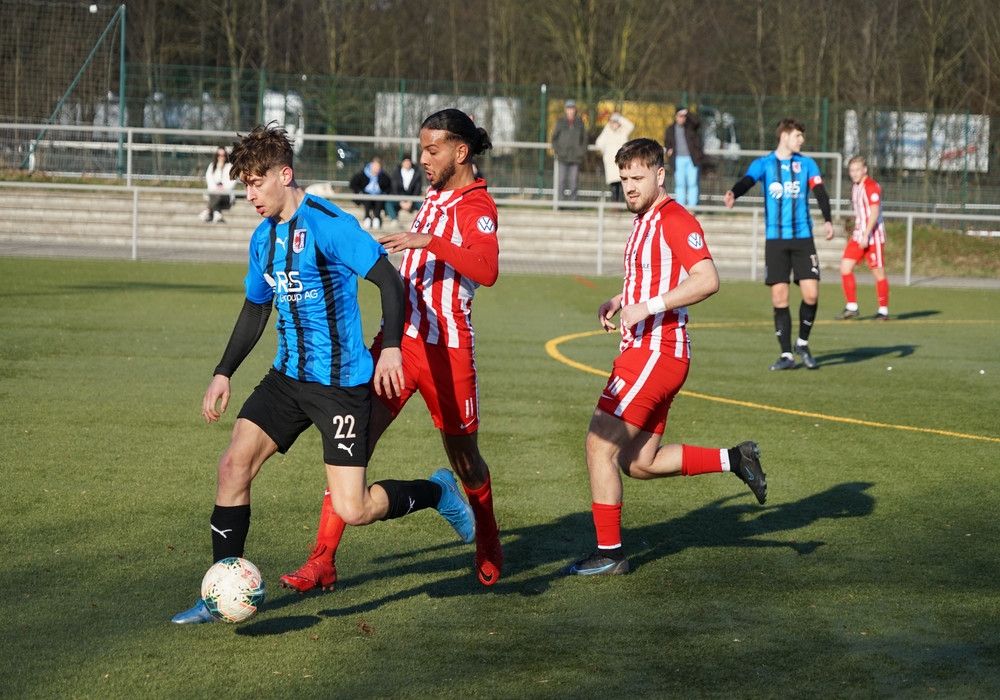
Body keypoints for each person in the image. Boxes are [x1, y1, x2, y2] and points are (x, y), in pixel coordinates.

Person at [171, 124, 475, 624]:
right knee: (233, 468)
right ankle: (218, 591)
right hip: (287, 378)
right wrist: (224, 372)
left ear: (284, 175)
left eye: (256, 183)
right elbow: (256, 307)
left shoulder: (331, 225)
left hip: (339, 387)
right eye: (245, 185)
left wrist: (391, 349)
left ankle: (437, 491)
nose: (250, 195)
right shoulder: (263, 238)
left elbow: (390, 282)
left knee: (354, 509)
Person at [280, 108, 504, 592]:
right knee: (351, 443)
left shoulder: (478, 207)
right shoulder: (435, 193)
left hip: (447, 352)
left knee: (466, 460)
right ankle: (322, 560)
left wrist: (430, 240)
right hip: (398, 344)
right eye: (422, 149)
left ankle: (487, 536)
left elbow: (486, 271)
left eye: (432, 150)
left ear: (460, 152)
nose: (422, 159)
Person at [563, 138, 767, 576]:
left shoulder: (674, 218)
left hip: (654, 352)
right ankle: (736, 458)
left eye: (638, 178)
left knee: (599, 446)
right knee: (639, 462)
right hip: (651, 352)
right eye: (624, 179)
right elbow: (654, 277)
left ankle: (610, 554)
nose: (630, 187)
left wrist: (647, 308)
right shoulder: (645, 219)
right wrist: (621, 300)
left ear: (660, 174)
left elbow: (707, 279)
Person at [723, 117, 835, 371]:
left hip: (803, 237)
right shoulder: (763, 164)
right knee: (779, 297)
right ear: (785, 136)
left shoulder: (807, 164)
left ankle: (802, 343)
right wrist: (734, 193)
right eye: (798, 135)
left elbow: (820, 192)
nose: (802, 140)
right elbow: (748, 180)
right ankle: (786, 355)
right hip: (776, 240)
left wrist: (828, 220)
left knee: (811, 293)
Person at [836, 156, 890, 321]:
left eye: (857, 170)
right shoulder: (855, 187)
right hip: (859, 235)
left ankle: (883, 310)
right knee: (845, 267)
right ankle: (852, 307)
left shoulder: (871, 186)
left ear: (865, 170)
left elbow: (874, 212)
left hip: (873, 236)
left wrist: (866, 234)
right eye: (851, 170)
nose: (854, 173)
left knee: (878, 272)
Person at [663, 107, 709, 208]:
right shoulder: (670, 129)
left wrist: (688, 113)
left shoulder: (690, 127)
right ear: (676, 116)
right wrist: (669, 149)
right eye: (680, 116)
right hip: (678, 160)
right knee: (680, 184)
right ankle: (681, 207)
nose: (682, 118)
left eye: (684, 116)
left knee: (693, 183)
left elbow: (697, 122)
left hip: (692, 160)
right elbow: (667, 142)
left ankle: (692, 207)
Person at [550, 99, 588, 203]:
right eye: (568, 108)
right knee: (561, 181)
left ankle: (573, 204)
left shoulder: (580, 122)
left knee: (573, 182)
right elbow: (554, 138)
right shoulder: (560, 122)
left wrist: (581, 151)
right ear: (565, 110)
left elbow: (585, 139)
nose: (570, 110)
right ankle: (560, 204)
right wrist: (558, 150)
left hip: (575, 158)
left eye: (572, 108)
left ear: (575, 110)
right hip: (562, 156)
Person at [595, 112, 635, 202]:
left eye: (616, 122)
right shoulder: (607, 133)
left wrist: (620, 118)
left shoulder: (623, 132)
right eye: (613, 122)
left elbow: (631, 126)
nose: (615, 124)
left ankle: (620, 205)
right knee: (613, 187)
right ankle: (614, 205)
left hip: (621, 162)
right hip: (611, 164)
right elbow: (598, 143)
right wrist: (605, 153)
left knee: (622, 185)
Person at [349, 156, 391, 229]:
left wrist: (384, 193)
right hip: (365, 195)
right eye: (375, 167)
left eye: (378, 168)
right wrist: (359, 191)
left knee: (379, 199)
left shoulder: (383, 176)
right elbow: (353, 184)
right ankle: (367, 217)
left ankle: (377, 218)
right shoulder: (362, 174)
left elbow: (389, 187)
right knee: (367, 197)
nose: (377, 170)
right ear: (371, 165)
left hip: (378, 196)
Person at [199, 146, 237, 223]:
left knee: (217, 194)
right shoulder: (212, 166)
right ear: (216, 156)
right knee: (215, 194)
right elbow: (209, 180)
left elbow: (232, 181)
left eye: (223, 155)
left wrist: (222, 188)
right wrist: (216, 188)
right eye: (219, 155)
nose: (221, 157)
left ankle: (207, 211)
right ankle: (216, 213)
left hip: (226, 194)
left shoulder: (230, 167)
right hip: (214, 192)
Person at [387, 155, 423, 223]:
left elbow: (417, 188)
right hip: (399, 198)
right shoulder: (397, 172)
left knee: (422, 204)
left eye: (408, 162)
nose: (407, 164)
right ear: (402, 163)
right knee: (389, 203)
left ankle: (420, 221)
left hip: (413, 199)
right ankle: (394, 219)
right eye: (405, 162)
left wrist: (411, 201)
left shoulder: (417, 172)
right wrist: (400, 201)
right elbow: (394, 188)